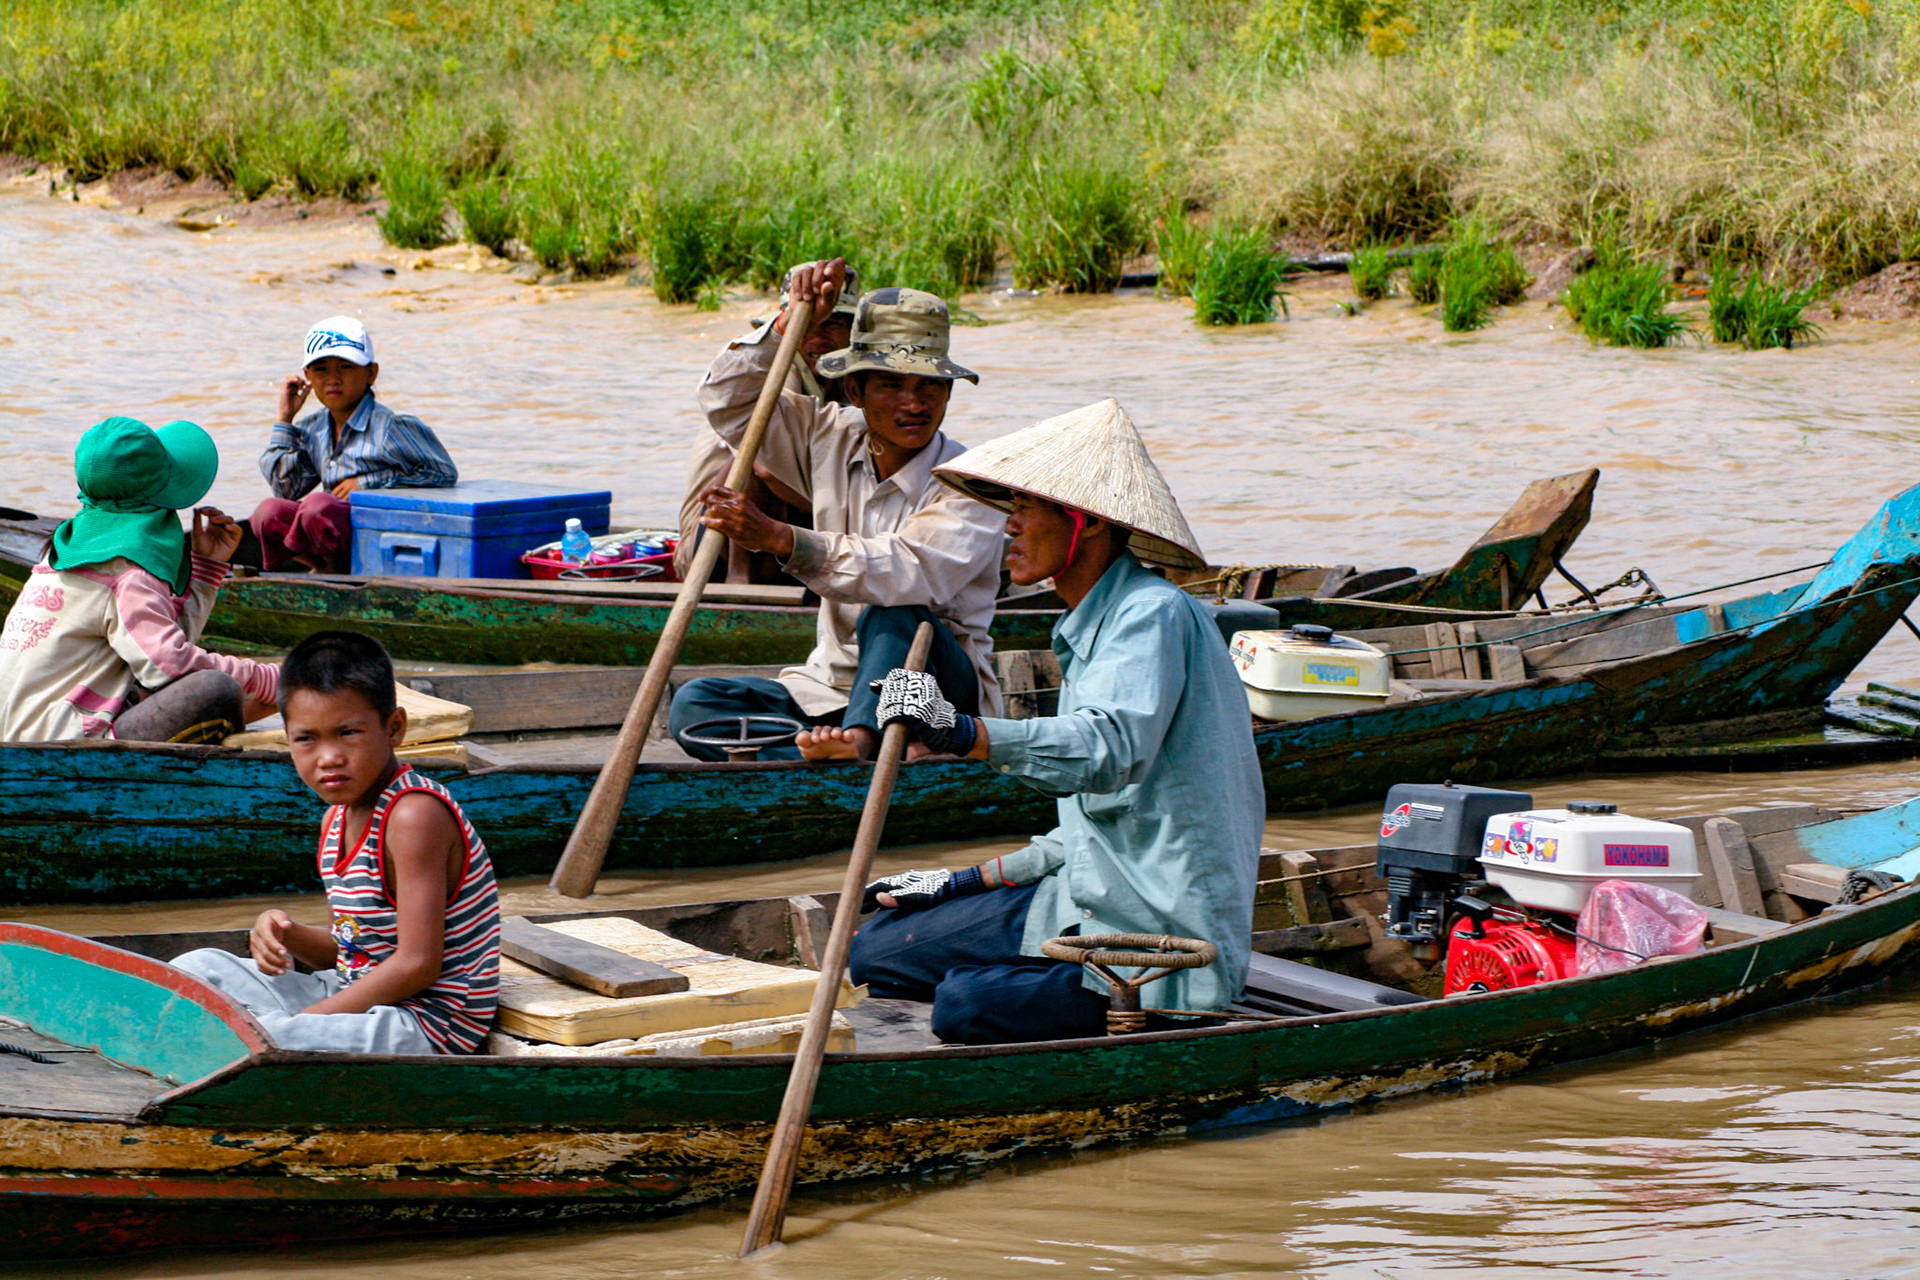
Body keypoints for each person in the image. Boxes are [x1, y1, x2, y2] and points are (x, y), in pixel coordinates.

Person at [845, 398, 1264, 1045]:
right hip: (1079, 900)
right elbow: (1087, 833)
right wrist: (958, 882)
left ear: (1086, 521)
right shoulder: (1090, 631)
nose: (1008, 528)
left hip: (1155, 942)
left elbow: (1104, 749)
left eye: (1026, 509)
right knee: (873, 949)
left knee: (963, 1003)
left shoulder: (1152, 616)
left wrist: (960, 730)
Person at [667, 259, 1007, 763]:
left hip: (934, 696)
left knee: (897, 614)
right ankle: (819, 754)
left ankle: (862, 743)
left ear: (948, 393)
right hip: (831, 687)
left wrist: (786, 541)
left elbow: (908, 572)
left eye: (928, 386)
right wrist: (788, 325)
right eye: (892, 385)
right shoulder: (827, 434)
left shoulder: (970, 484)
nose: (913, 403)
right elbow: (727, 401)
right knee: (697, 703)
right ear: (855, 391)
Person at [171, 630, 501, 1055]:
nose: (328, 757)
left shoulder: (414, 814)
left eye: (348, 733)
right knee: (195, 968)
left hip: (426, 1022)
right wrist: (285, 932)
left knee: (272, 1036)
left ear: (394, 727)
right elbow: (350, 949)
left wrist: (307, 1021)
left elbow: (417, 964)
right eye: (307, 738)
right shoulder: (335, 820)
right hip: (361, 994)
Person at [0, 416, 279, 743]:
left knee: (200, 681)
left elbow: (158, 648)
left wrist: (206, 569)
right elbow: (169, 667)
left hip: (24, 731)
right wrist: (267, 677)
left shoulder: (59, 555)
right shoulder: (126, 574)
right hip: (62, 744)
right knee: (215, 688)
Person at [673, 265, 861, 583]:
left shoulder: (846, 379)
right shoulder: (778, 368)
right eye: (811, 325)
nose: (819, 338)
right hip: (709, 551)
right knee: (751, 459)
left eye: (833, 325)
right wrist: (843, 518)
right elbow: (768, 470)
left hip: (784, 540)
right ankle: (739, 579)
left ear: (851, 331)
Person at [252, 315, 458, 573]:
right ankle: (323, 567)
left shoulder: (392, 427)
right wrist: (285, 418)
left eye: (346, 367)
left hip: (378, 534)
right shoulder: (311, 429)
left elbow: (443, 473)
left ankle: (340, 569)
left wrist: (366, 484)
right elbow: (285, 489)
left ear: (370, 373)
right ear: (308, 377)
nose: (333, 379)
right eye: (321, 369)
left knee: (318, 506)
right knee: (268, 511)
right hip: (330, 536)